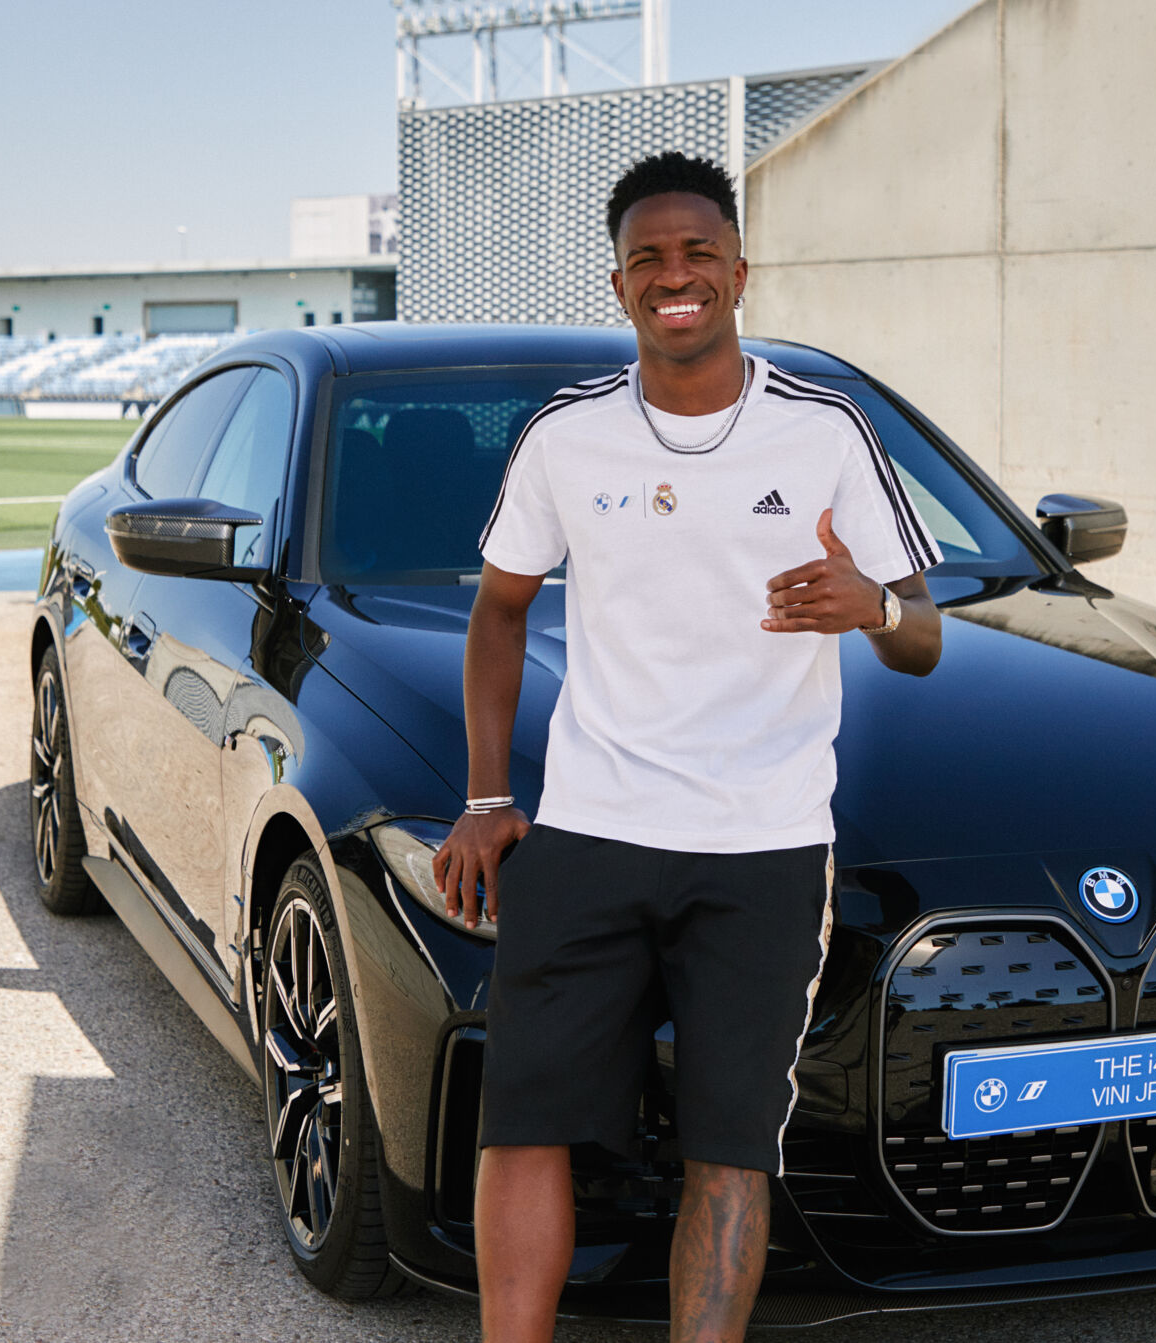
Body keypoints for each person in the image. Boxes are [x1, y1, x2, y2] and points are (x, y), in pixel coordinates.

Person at [432, 150, 943, 1343]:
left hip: (760, 843)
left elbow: (922, 635)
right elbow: (498, 609)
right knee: (524, 1117)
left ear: (737, 272)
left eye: (697, 253)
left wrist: (866, 604)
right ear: (618, 286)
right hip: (593, 827)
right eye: (648, 257)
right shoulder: (567, 438)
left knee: (729, 1142)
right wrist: (487, 793)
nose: (675, 275)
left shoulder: (821, 433)